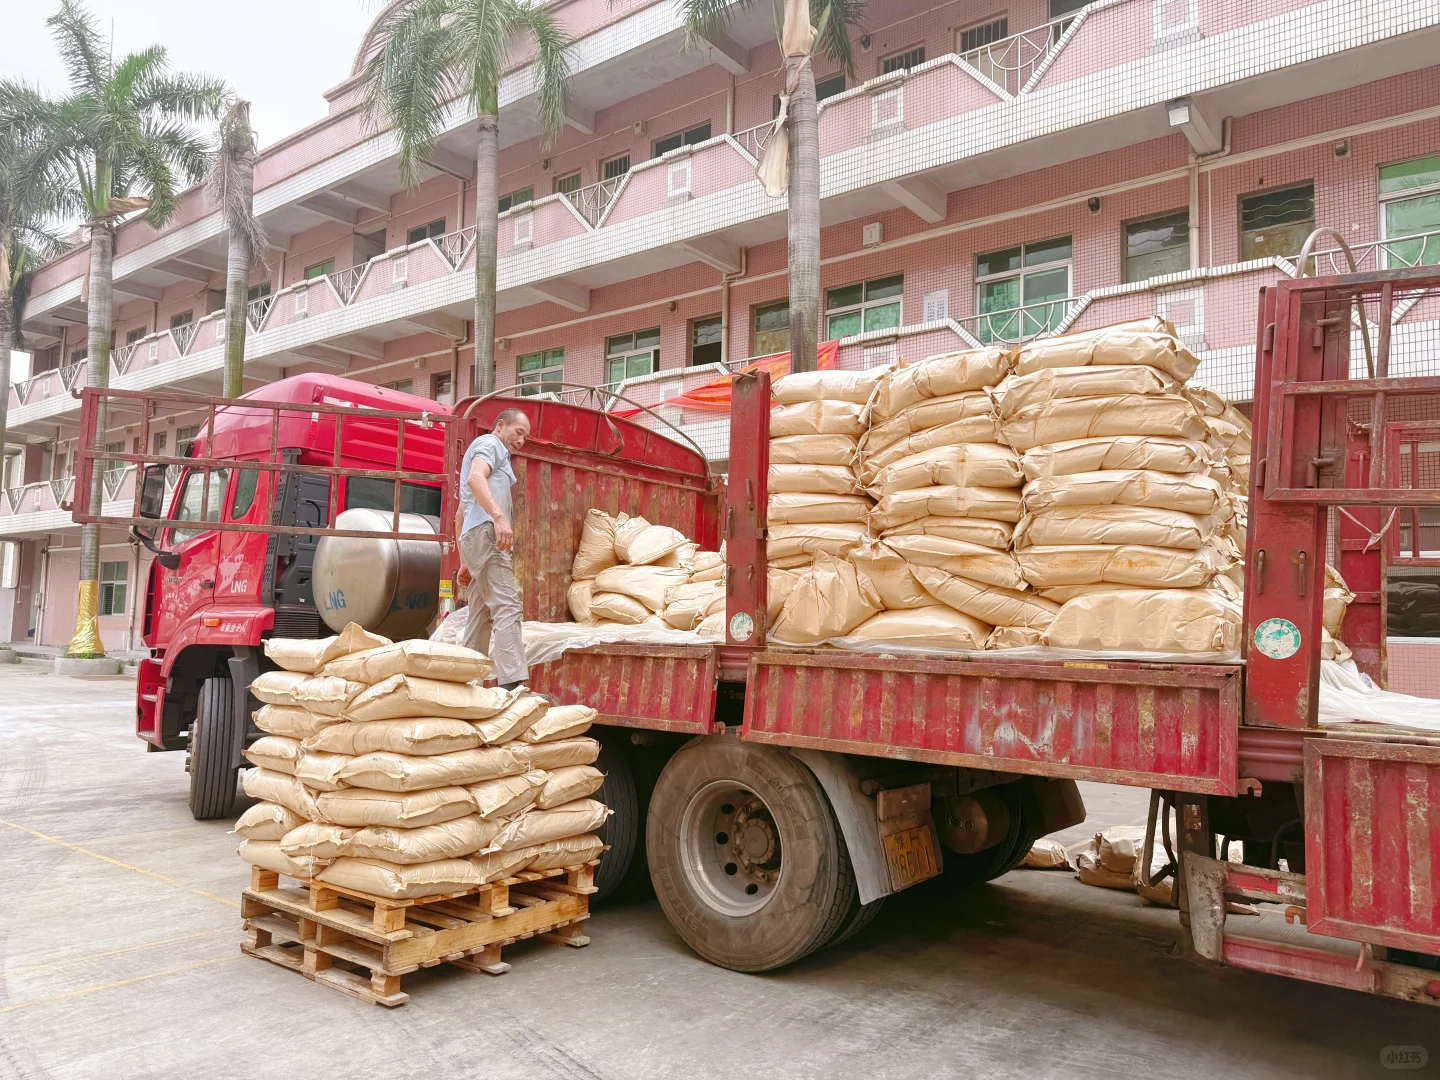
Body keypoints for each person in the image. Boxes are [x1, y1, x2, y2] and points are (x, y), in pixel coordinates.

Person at [456, 407, 531, 689]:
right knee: (506, 606)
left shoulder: (485, 450)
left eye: (526, 437)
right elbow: (476, 479)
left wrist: (466, 561)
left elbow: (461, 514)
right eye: (518, 432)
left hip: (475, 541)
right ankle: (513, 685)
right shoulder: (491, 444)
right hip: (488, 536)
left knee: (480, 613)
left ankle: (464, 683)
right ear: (500, 425)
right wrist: (499, 517)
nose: (521, 441)